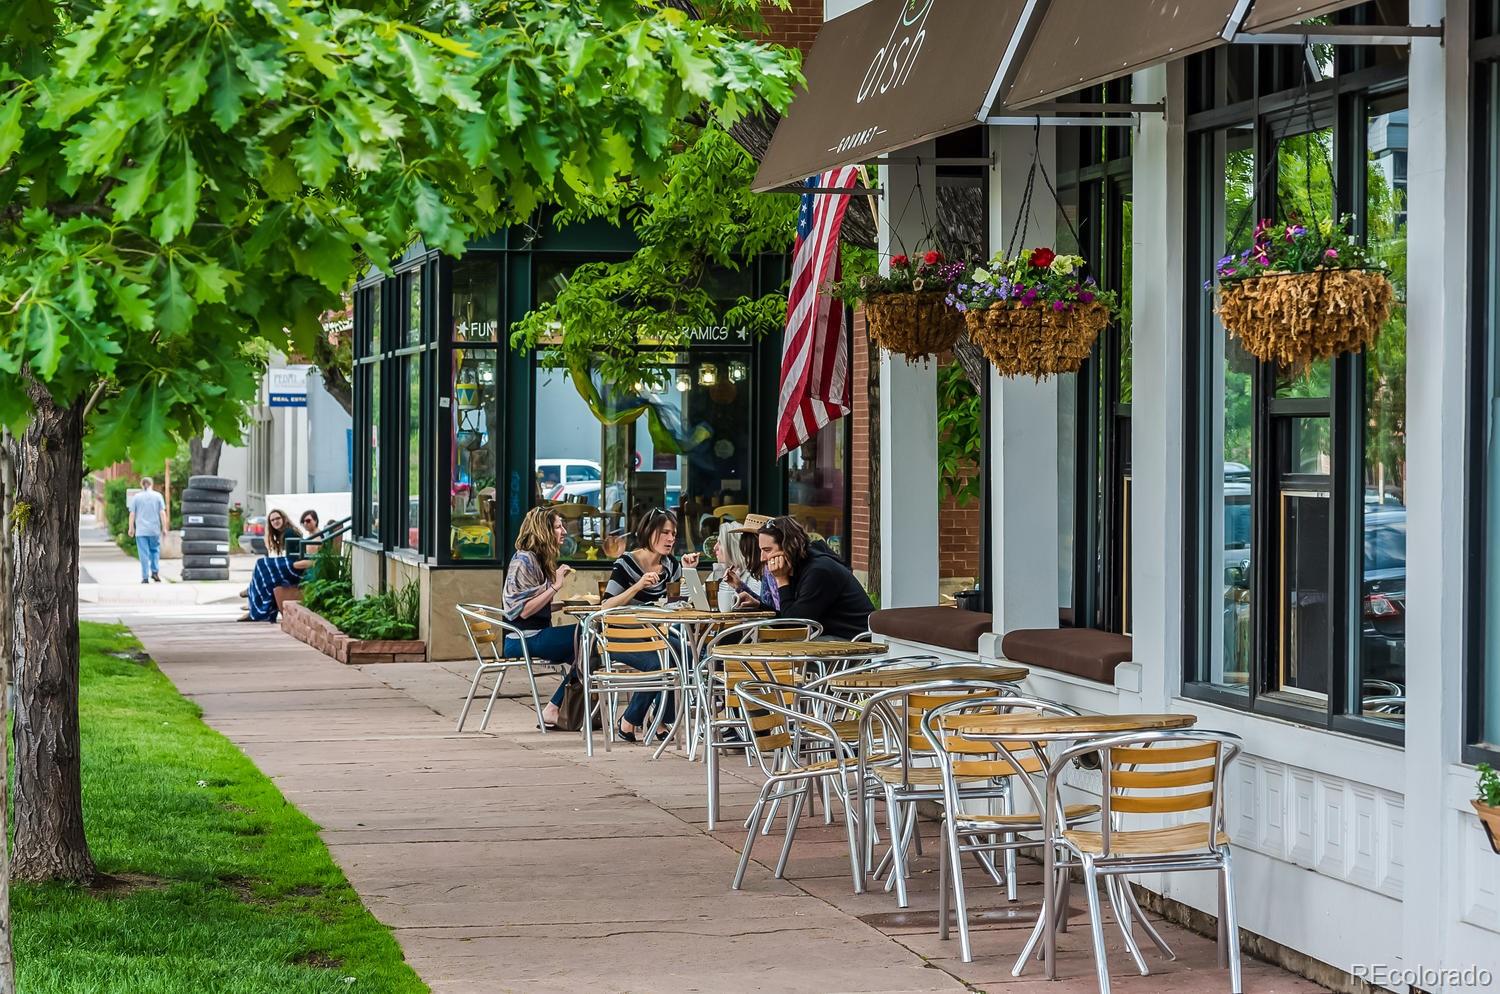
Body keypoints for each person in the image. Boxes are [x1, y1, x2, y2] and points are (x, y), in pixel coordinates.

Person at [600, 508, 700, 742]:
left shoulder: (671, 566)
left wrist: (688, 574)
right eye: (664, 532)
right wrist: (637, 586)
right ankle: (629, 720)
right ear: (649, 531)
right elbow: (606, 607)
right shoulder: (626, 563)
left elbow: (679, 606)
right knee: (660, 661)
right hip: (621, 636)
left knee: (686, 652)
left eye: (673, 533)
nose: (670, 538)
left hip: (657, 635)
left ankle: (662, 720)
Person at [501, 507, 576, 730]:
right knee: (588, 636)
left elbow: (536, 604)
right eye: (558, 526)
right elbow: (522, 611)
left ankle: (575, 711)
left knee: (588, 653)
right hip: (522, 639)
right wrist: (555, 586)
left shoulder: (538, 559)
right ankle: (553, 708)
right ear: (543, 531)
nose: (563, 531)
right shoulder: (523, 561)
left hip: (534, 634)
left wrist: (566, 605)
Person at [755, 515, 873, 640]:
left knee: (783, 650)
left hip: (855, 642)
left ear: (788, 546)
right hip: (831, 638)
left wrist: (781, 580)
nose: (762, 558)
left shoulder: (818, 570)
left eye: (767, 550)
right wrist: (758, 606)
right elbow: (789, 619)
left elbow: (795, 627)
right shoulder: (800, 565)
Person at [239, 510, 309, 623]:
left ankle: (252, 596)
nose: (275, 521)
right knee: (268, 578)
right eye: (272, 520)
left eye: (277, 518)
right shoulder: (283, 533)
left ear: (283, 518)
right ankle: (253, 602)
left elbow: (295, 558)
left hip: (296, 568)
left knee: (262, 564)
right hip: (292, 564)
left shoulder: (289, 532)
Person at [127, 477, 168, 584]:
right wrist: (164, 528)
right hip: (154, 530)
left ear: (142, 485)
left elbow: (132, 514)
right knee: (155, 551)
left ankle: (145, 577)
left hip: (141, 531)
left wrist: (131, 528)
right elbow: (162, 513)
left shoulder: (136, 497)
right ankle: (155, 572)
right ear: (151, 484)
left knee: (143, 554)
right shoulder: (158, 496)